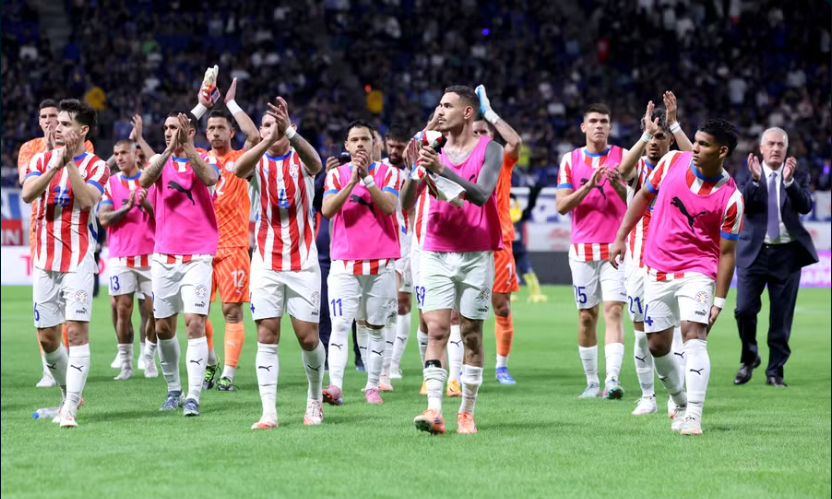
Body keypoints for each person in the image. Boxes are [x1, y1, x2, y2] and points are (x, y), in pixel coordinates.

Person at [610, 118, 745, 436]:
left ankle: (694, 415)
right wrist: (620, 236)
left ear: (722, 151)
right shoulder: (671, 161)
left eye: (703, 144)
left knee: (693, 334)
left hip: (698, 272)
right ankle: (680, 401)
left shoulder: (732, 198)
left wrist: (720, 301)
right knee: (657, 344)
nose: (695, 148)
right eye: (695, 141)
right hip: (656, 268)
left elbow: (727, 254)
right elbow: (642, 196)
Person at [401, 85, 504, 435]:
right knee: (438, 329)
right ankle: (434, 409)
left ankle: (466, 412)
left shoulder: (492, 150)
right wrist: (417, 168)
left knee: (472, 334)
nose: (440, 111)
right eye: (438, 105)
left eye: (447, 106)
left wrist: (441, 170)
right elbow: (404, 201)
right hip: (435, 250)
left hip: (477, 253)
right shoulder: (431, 148)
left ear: (467, 113)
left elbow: (481, 195)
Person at [233, 97, 326, 429]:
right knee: (267, 334)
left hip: (302, 264)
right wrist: (266, 141)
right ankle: (268, 412)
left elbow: (316, 164)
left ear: (290, 128)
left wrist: (290, 134)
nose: (273, 130)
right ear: (260, 131)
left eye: (278, 125)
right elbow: (237, 169)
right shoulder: (257, 163)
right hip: (266, 263)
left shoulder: (299, 160)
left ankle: (314, 399)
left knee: (307, 338)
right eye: (266, 125)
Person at [21, 99, 110, 427]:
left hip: (78, 261)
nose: (57, 128)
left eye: (66, 124)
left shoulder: (98, 166)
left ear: (82, 130)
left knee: (76, 332)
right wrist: (53, 167)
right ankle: (67, 395)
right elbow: (28, 193)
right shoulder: (42, 159)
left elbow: (87, 199)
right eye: (56, 123)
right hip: (44, 261)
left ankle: (70, 409)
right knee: (47, 338)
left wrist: (69, 164)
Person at [139, 110, 220, 417]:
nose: (169, 132)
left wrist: (187, 149)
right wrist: (169, 149)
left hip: (198, 256)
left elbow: (211, 178)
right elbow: (146, 179)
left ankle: (194, 396)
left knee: (195, 323)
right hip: (163, 257)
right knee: (161, 327)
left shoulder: (205, 161)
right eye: (166, 127)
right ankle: (174, 389)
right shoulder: (158, 163)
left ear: (190, 131)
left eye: (176, 127)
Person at [617, 94, 693, 416]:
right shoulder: (641, 168)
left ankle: (675, 396)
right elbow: (622, 170)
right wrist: (646, 133)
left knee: (671, 333)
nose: (654, 143)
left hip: (671, 260)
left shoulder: (678, 165)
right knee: (640, 335)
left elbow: (696, 159)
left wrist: (674, 125)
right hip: (636, 262)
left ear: (670, 140)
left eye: (660, 137)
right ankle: (647, 396)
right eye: (650, 136)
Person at [321, 120, 400, 405]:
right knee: (341, 325)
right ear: (346, 145)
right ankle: (336, 386)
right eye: (354, 140)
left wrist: (366, 179)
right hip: (344, 263)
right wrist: (352, 180)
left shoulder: (389, 173)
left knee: (377, 327)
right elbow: (328, 210)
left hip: (381, 263)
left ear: (374, 143)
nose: (360, 145)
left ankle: (372, 386)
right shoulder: (335, 176)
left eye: (365, 139)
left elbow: (389, 206)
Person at [733, 128, 818, 387]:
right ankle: (750, 358)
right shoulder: (747, 171)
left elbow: (806, 206)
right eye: (770, 143)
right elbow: (740, 203)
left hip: (787, 255)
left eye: (781, 144)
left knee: (781, 317)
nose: (776, 148)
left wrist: (790, 183)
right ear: (761, 148)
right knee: (744, 310)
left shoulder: (798, 174)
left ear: (786, 148)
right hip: (754, 253)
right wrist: (757, 181)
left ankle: (775, 371)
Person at [555, 103, 629, 400]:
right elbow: (561, 206)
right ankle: (591, 381)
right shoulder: (570, 160)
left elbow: (636, 199)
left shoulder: (623, 156)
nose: (599, 126)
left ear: (610, 128)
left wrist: (618, 186)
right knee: (587, 316)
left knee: (613, 311)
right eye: (594, 121)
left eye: (605, 121)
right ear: (583, 127)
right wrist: (589, 187)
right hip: (582, 251)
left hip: (615, 250)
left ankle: (612, 380)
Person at [192, 78, 260, 391]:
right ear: (205, 133)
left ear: (231, 133)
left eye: (222, 128)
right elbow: (178, 138)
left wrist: (231, 103)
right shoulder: (199, 160)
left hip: (234, 247)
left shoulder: (239, 161)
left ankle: (227, 376)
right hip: (201, 247)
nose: (216, 132)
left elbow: (256, 136)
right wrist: (201, 106)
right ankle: (209, 364)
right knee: (195, 313)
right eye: (212, 128)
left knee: (232, 312)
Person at [472, 85, 523, 385]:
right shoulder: (460, 158)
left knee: (501, 305)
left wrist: (489, 113)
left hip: (500, 240)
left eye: (484, 132)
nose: (480, 136)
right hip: (468, 241)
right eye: (475, 131)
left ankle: (501, 367)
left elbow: (515, 141)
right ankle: (465, 368)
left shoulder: (500, 157)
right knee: (463, 311)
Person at [99, 139, 158, 380]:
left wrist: (144, 203)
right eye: (116, 153)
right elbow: (104, 219)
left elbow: (162, 216)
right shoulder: (110, 184)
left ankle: (149, 358)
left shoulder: (151, 181)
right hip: (121, 257)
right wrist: (127, 207)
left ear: (136, 155)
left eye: (124, 153)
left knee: (155, 311)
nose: (120, 157)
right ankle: (125, 364)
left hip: (151, 255)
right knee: (123, 310)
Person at [384, 124, 416, 382]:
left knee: (403, 304)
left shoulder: (415, 170)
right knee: (387, 305)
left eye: (399, 146)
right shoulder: (381, 168)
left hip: (410, 243)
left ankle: (394, 364)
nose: (394, 151)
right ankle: (382, 365)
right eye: (391, 145)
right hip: (384, 243)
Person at [509, 183, 546, 303]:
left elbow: (530, 206)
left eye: (512, 200)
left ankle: (536, 294)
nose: (510, 202)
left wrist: (533, 194)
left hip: (520, 251)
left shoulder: (520, 216)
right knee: (506, 275)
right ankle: (507, 294)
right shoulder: (501, 216)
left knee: (528, 272)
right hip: (506, 251)